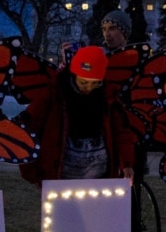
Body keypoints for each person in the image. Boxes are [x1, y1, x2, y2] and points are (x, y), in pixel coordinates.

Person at [17, 46, 136, 184]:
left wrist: (126, 163)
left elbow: (121, 133)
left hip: (101, 176)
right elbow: (30, 130)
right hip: (61, 176)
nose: (89, 88)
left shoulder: (108, 97)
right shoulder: (54, 94)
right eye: (83, 82)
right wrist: (32, 172)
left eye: (95, 83)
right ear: (73, 75)